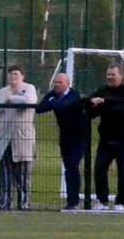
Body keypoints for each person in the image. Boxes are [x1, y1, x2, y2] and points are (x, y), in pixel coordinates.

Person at [0, 65, 38, 211]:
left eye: (16, 74)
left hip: (23, 139)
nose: (13, 77)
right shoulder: (2, 91)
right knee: (5, 174)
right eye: (10, 74)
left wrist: (11, 99)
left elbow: (30, 101)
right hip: (4, 138)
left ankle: (24, 203)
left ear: (22, 76)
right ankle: (4, 202)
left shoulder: (29, 88)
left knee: (23, 174)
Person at [37, 72, 90, 210]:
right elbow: (39, 108)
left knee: (73, 166)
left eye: (60, 82)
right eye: (55, 82)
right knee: (68, 168)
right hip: (64, 137)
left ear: (67, 83)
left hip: (79, 137)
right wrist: (53, 101)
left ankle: (74, 201)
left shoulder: (74, 94)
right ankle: (71, 202)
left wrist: (52, 102)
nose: (57, 85)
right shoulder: (53, 94)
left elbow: (63, 106)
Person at [87, 64, 124, 211]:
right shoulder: (102, 90)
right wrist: (92, 104)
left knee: (123, 171)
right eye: (108, 74)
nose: (110, 77)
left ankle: (121, 202)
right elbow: (90, 102)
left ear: (121, 76)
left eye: (113, 74)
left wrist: (105, 101)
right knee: (99, 169)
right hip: (106, 138)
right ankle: (102, 201)